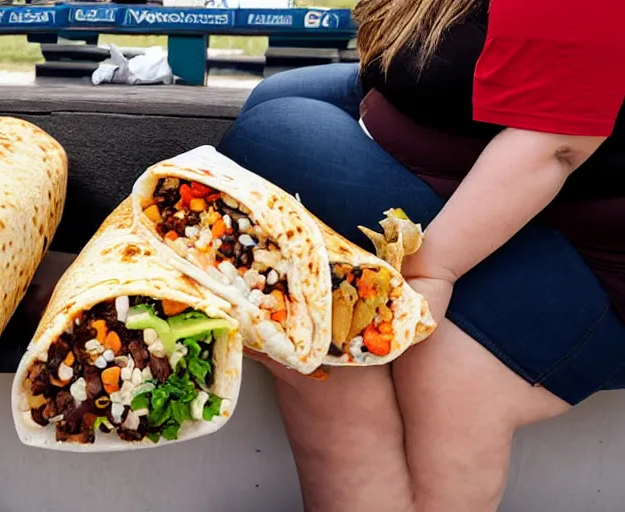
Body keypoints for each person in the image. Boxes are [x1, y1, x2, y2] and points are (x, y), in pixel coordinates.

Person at [217, 0, 625, 510]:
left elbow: (555, 143)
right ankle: (342, 355)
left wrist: (435, 268)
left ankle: (353, 366)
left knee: (276, 131)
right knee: (278, 101)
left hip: (590, 258)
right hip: (506, 170)